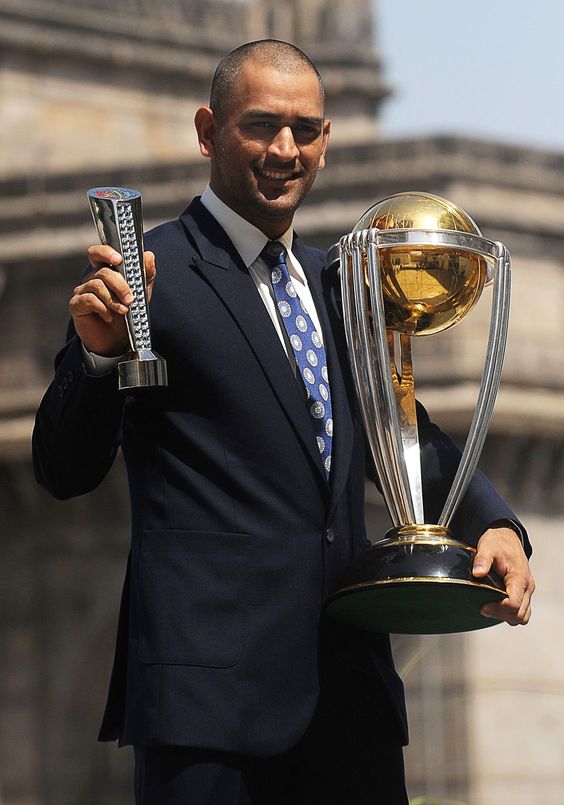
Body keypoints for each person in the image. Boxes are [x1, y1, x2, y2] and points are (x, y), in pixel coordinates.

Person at [32, 40, 535, 805]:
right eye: (260, 126)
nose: (283, 149)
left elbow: (401, 427)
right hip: (211, 716)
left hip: (351, 707)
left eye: (304, 130)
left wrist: (492, 520)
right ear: (208, 131)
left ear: (327, 143)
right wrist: (97, 360)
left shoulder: (343, 283)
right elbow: (63, 467)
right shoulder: (151, 275)